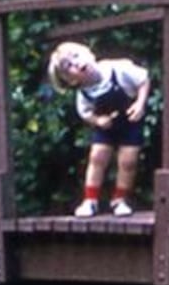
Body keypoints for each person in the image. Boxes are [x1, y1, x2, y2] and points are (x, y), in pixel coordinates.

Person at [47, 41, 151, 218]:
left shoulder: (117, 69)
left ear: (89, 53)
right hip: (105, 127)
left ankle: (120, 200)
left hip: (130, 121)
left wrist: (140, 104)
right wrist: (97, 120)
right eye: (69, 66)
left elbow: (143, 80)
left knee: (128, 161)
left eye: (77, 56)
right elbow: (85, 113)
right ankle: (90, 200)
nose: (77, 63)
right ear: (70, 79)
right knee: (97, 158)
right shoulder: (84, 93)